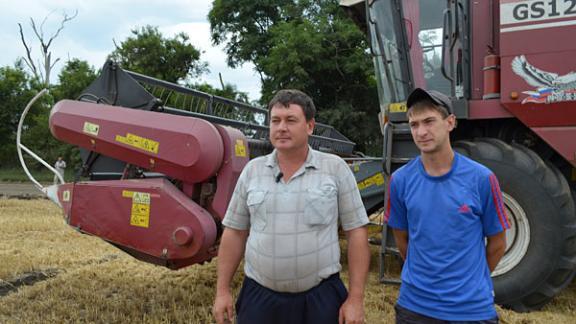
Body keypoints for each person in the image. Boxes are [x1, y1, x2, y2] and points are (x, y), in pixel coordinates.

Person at [212, 89, 370, 324]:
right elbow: (235, 232)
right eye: (275, 121)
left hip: (320, 297)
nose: (281, 127)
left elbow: (357, 231)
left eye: (291, 120)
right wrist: (222, 290)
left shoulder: (335, 169)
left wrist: (355, 299)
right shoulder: (252, 171)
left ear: (310, 126)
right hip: (260, 298)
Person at [385, 88, 509, 323]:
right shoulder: (400, 181)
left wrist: (471, 282)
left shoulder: (482, 179)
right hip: (415, 307)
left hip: (471, 310)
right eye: (414, 124)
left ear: (450, 122)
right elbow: (403, 241)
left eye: (429, 121)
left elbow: (497, 244)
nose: (421, 132)